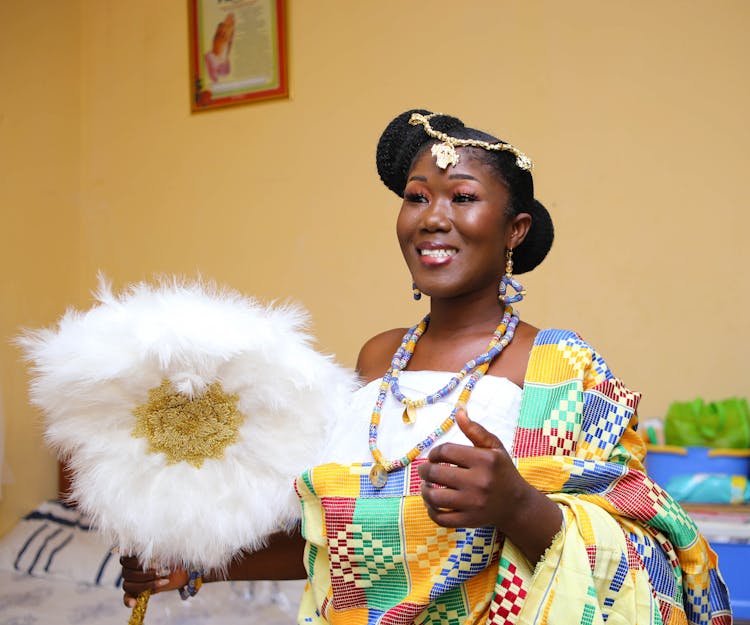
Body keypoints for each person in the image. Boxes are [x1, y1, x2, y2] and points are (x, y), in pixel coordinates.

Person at [121, 109, 731, 624]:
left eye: (462, 197)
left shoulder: (560, 366)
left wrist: (516, 502)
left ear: (514, 230)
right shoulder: (376, 359)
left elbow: (637, 551)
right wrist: (193, 566)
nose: (432, 217)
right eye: (417, 197)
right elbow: (341, 540)